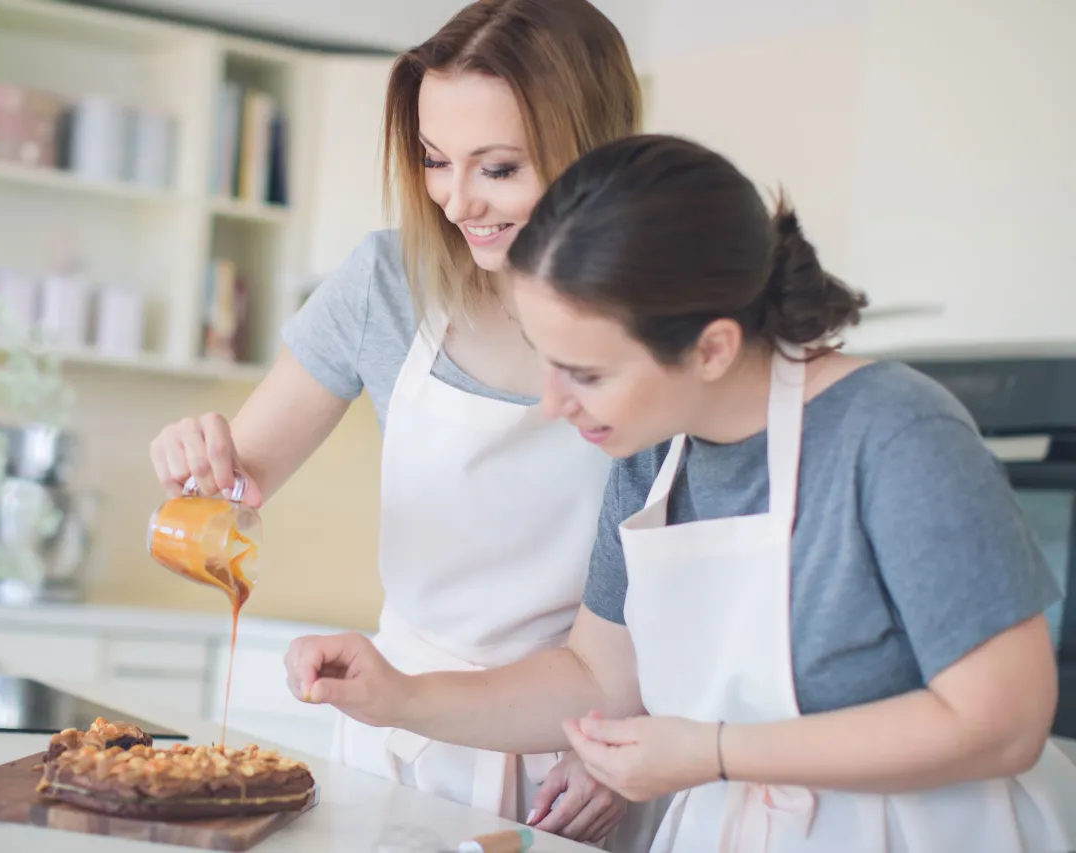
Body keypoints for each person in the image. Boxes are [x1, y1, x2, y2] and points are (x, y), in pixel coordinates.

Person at [283, 133, 1076, 852]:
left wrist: (713, 750)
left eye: (587, 373)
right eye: (545, 359)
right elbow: (598, 679)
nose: (554, 404)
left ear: (712, 348)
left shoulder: (896, 433)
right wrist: (402, 695)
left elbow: (1001, 722)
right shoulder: (655, 456)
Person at [148, 0, 668, 847]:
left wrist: (628, 730)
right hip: (393, 739)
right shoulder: (387, 285)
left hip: (572, 762)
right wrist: (193, 464)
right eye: (435, 160)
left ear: (591, 158)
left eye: (499, 168)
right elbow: (231, 491)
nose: (459, 202)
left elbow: (684, 596)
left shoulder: (667, 328)